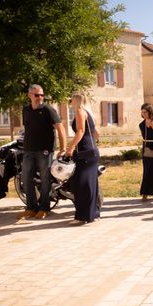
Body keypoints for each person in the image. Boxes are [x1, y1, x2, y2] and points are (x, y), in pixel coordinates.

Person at [18, 84, 66, 219]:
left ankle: (44, 208)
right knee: (26, 179)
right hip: (28, 150)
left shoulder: (48, 109)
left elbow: (61, 128)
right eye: (36, 95)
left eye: (41, 95)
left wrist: (62, 149)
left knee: (45, 180)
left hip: (45, 151)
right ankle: (31, 208)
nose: (40, 97)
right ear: (29, 95)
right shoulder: (26, 110)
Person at [64, 93, 100, 225]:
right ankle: (94, 214)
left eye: (71, 99)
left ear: (77, 100)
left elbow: (80, 130)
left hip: (84, 152)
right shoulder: (89, 113)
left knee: (79, 184)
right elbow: (97, 133)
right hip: (92, 151)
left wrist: (70, 147)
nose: (70, 102)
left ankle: (83, 216)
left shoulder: (80, 111)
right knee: (91, 184)